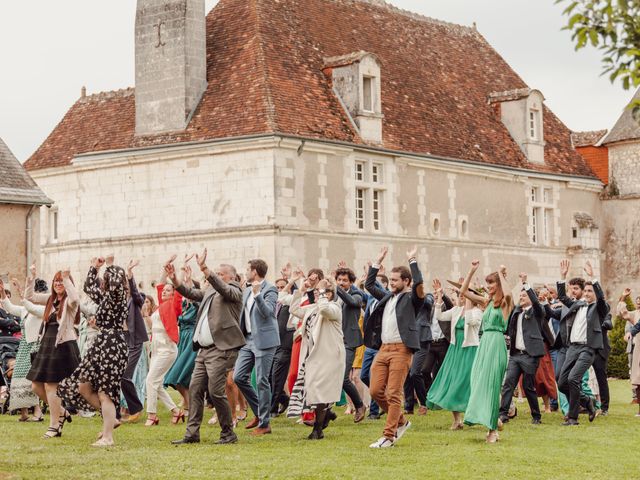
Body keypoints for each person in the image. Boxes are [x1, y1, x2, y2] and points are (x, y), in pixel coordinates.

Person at [169, 249, 246, 445]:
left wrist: (205, 269)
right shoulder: (211, 290)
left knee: (215, 391)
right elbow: (193, 293)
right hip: (203, 350)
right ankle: (192, 434)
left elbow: (224, 289)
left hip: (221, 349)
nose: (216, 276)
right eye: (216, 273)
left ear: (232, 277)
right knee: (195, 389)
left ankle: (228, 432)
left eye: (221, 274)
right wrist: (176, 281)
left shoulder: (235, 290)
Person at [58, 256, 130, 447]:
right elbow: (89, 288)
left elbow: (114, 283)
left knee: (105, 392)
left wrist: (110, 265)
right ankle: (111, 418)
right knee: (83, 386)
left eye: (107, 279)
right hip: (101, 343)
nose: (104, 282)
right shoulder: (107, 297)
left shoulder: (118, 295)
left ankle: (108, 437)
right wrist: (93, 268)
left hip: (113, 345)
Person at [364, 245, 423, 448]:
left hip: (401, 350)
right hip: (384, 349)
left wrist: (412, 261)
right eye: (390, 280)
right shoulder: (388, 296)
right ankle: (401, 422)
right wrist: (377, 262)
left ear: (406, 281)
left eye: (395, 280)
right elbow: (369, 285)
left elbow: (419, 285)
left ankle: (389, 436)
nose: (391, 283)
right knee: (375, 391)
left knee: (393, 393)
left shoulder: (412, 299)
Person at [25, 264, 81, 439]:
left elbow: (75, 299)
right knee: (36, 385)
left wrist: (66, 278)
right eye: (56, 281)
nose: (58, 283)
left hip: (62, 347)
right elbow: (30, 297)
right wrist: (31, 277)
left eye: (61, 281)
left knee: (51, 385)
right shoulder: (50, 299)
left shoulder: (69, 303)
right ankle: (61, 412)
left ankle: (54, 426)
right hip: (47, 346)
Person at [288, 274, 345, 440]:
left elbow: (324, 309)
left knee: (320, 391)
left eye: (324, 292)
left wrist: (321, 290)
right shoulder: (312, 308)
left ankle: (317, 430)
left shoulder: (335, 308)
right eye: (318, 292)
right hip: (314, 355)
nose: (319, 294)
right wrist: (300, 291)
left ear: (330, 293)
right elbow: (294, 310)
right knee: (313, 390)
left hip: (329, 356)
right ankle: (326, 416)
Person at [461, 260, 512, 443]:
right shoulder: (486, 302)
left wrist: (502, 275)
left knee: (492, 385)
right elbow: (464, 292)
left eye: (492, 283)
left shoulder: (505, 303)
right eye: (488, 283)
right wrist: (471, 270)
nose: (489, 286)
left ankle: (492, 430)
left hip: (497, 343)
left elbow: (508, 293)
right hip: (484, 344)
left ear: (499, 285)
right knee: (476, 381)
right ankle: (493, 418)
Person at [556, 259, 606, 426]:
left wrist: (593, 277)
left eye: (590, 291)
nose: (586, 293)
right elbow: (562, 297)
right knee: (562, 383)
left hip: (587, 349)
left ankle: (573, 417)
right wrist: (562, 277)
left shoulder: (598, 308)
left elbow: (602, 299)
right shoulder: (577, 304)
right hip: (572, 347)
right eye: (585, 290)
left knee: (573, 379)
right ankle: (588, 402)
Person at [233, 259, 279, 436]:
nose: (245, 272)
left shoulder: (270, 289)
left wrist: (258, 294)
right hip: (247, 340)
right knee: (239, 377)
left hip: (265, 341)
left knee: (261, 380)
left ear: (255, 271)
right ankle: (260, 412)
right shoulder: (245, 291)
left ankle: (265, 423)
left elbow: (268, 312)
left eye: (247, 269)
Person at [498, 273, 551, 426]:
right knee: (508, 384)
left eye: (524, 295)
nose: (521, 298)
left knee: (528, 386)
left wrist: (526, 284)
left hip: (530, 355)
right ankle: (503, 414)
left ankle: (536, 416)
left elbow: (535, 302)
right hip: (515, 355)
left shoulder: (537, 311)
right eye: (520, 295)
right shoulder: (516, 312)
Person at [427, 279, 480, 430]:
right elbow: (440, 317)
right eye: (459, 294)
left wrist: (469, 299)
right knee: (452, 382)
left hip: (470, 351)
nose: (460, 296)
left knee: (469, 384)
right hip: (454, 350)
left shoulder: (477, 312)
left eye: (463, 294)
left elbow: (470, 321)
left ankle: (476, 414)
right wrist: (438, 298)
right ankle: (457, 420)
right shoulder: (456, 310)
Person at [144, 258, 184, 427]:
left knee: (150, 380)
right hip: (156, 347)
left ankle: (152, 415)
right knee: (156, 383)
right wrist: (164, 267)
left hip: (167, 348)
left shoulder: (174, 305)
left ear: (174, 293)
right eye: (164, 290)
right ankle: (175, 411)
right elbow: (159, 284)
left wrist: (176, 276)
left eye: (169, 290)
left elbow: (179, 290)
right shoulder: (161, 306)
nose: (165, 292)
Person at [0, 277, 45, 421]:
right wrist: (2, 293)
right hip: (23, 346)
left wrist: (21, 291)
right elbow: (10, 308)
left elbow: (30, 306)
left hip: (35, 347)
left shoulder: (41, 309)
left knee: (31, 380)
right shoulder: (25, 310)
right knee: (18, 378)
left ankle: (38, 412)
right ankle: (24, 412)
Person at [164, 259, 200, 417]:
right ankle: (189, 405)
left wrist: (189, 277)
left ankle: (190, 407)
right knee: (177, 377)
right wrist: (179, 276)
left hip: (192, 338)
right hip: (182, 338)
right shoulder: (183, 304)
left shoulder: (198, 303)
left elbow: (192, 291)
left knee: (178, 375)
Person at [334, 264, 366, 422]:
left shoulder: (357, 294)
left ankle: (359, 405)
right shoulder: (334, 295)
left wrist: (336, 289)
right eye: (339, 280)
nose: (341, 283)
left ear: (351, 282)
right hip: (334, 340)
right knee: (329, 376)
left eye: (344, 280)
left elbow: (352, 302)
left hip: (349, 342)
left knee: (343, 378)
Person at [120, 260, 149, 423]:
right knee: (119, 376)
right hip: (122, 341)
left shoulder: (137, 299)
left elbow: (136, 294)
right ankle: (119, 410)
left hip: (135, 341)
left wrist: (130, 275)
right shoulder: (118, 301)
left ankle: (136, 409)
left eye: (125, 284)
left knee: (125, 376)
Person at [270, 265, 295, 417]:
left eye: (282, 287)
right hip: (273, 344)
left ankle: (272, 409)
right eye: (277, 287)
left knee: (277, 377)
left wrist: (291, 279)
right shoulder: (273, 305)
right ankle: (284, 399)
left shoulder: (291, 301)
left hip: (285, 344)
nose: (280, 289)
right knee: (268, 376)